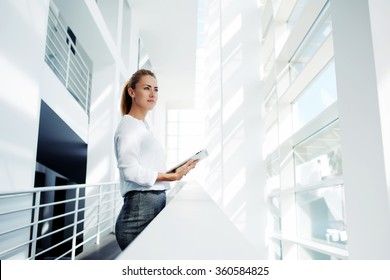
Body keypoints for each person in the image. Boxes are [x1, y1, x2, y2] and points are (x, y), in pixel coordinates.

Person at [114, 69, 198, 250]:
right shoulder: (129, 126)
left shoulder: (142, 127)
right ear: (132, 92)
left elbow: (148, 166)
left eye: (156, 89)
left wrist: (175, 172)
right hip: (138, 215)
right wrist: (170, 177)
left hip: (149, 208)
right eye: (146, 88)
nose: (153, 94)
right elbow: (129, 171)